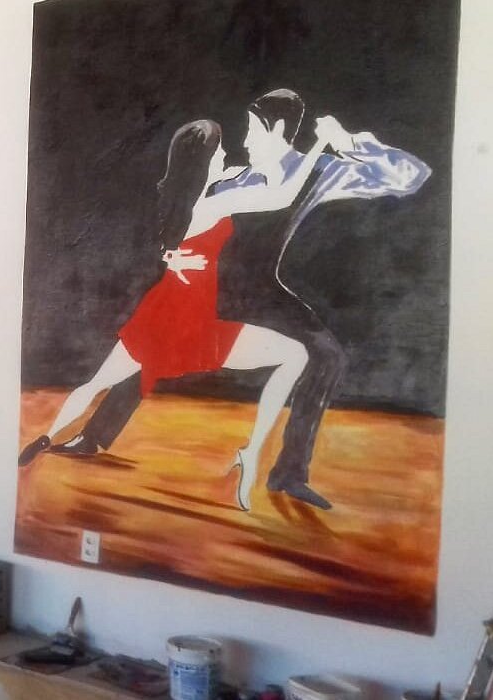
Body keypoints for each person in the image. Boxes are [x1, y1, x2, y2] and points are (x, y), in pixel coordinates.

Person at [50, 90, 431, 511]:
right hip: (217, 287)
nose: (245, 140)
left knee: (328, 356)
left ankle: (288, 475)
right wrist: (169, 254)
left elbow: (411, 177)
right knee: (160, 332)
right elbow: (175, 214)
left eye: (252, 130)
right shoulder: (232, 177)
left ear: (278, 129)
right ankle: (92, 434)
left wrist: (350, 142)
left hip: (265, 290)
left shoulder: (322, 171)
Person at [19, 119, 332, 511]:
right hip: (190, 325)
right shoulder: (213, 205)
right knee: (296, 354)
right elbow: (283, 196)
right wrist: (320, 143)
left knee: (95, 383)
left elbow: (165, 236)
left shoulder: (180, 200)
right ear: (203, 162)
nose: (226, 154)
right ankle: (251, 452)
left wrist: (170, 255)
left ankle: (45, 438)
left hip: (162, 317)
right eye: (219, 151)